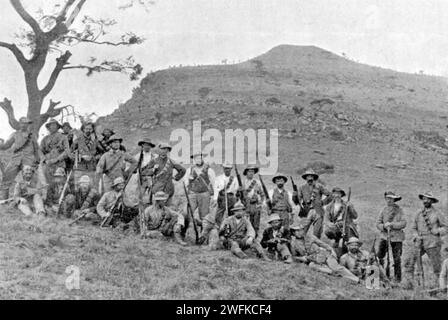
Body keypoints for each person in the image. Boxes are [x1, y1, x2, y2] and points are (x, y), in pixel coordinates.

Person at [290, 219, 359, 283]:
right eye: (297, 231)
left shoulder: (310, 237)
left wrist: (332, 251)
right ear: (293, 232)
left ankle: (356, 279)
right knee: (312, 266)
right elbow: (295, 256)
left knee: (336, 267)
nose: (299, 232)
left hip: (325, 255)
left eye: (301, 230)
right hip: (314, 260)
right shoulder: (293, 244)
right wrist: (303, 258)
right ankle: (333, 273)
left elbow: (324, 245)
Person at [404, 192, 447, 289]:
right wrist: (415, 235)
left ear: (432, 201)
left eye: (427, 199)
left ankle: (439, 287)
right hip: (419, 242)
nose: (425, 201)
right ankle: (410, 284)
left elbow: (446, 227)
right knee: (410, 262)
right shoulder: (418, 213)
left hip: (433, 242)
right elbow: (414, 227)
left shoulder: (437, 213)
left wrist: (437, 231)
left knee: (437, 266)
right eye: (424, 199)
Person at [0, 117, 40, 200]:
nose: (24, 125)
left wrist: (37, 160)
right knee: (6, 176)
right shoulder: (15, 134)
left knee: (28, 179)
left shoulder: (32, 135)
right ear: (19, 124)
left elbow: (36, 148)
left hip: (28, 159)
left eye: (26, 123)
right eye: (22, 123)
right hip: (16, 159)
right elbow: (6, 145)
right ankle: (4, 199)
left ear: (28, 125)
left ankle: (28, 200)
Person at [376, 191, 407, 283]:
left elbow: (403, 223)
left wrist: (392, 225)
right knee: (380, 256)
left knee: (396, 259)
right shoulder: (383, 210)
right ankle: (382, 276)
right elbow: (378, 223)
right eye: (387, 198)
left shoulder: (400, 210)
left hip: (397, 238)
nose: (389, 200)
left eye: (391, 198)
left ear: (394, 200)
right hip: (385, 237)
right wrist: (384, 226)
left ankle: (397, 279)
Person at [324, 187, 359, 257]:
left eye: (338, 194)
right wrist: (331, 225)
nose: (337, 195)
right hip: (336, 227)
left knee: (349, 243)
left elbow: (355, 216)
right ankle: (338, 240)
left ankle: (350, 252)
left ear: (341, 195)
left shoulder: (347, 204)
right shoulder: (329, 206)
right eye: (335, 193)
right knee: (327, 231)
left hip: (347, 226)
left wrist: (350, 208)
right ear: (333, 195)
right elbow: (326, 220)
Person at [297, 169, 332, 238]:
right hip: (307, 211)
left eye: (311, 176)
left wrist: (322, 202)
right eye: (308, 176)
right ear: (305, 178)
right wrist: (301, 204)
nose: (309, 178)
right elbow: (298, 199)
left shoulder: (319, 186)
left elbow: (330, 195)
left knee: (317, 232)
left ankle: (316, 247)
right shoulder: (302, 188)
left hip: (318, 211)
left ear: (314, 177)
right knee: (302, 231)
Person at [184, 153, 215, 225]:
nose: (198, 160)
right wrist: (188, 190)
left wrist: (214, 197)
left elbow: (214, 183)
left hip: (204, 194)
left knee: (204, 215)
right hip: (192, 194)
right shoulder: (190, 170)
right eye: (196, 158)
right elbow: (185, 181)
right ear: (194, 159)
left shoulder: (209, 170)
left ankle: (204, 232)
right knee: (189, 213)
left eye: (200, 158)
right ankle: (190, 230)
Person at [40, 119, 70, 183]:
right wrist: (45, 160)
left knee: (60, 183)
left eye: (54, 125)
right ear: (48, 127)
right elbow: (39, 151)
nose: (53, 126)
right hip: (48, 165)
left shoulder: (63, 137)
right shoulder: (45, 139)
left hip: (59, 164)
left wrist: (57, 159)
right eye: (51, 125)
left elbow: (67, 151)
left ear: (57, 127)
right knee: (48, 184)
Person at [242, 165, 264, 236]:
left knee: (256, 224)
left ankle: (255, 239)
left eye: (252, 171)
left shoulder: (257, 182)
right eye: (249, 171)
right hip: (246, 205)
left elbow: (262, 194)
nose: (251, 173)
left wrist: (260, 203)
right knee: (246, 223)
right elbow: (239, 196)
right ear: (246, 172)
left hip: (255, 205)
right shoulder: (243, 182)